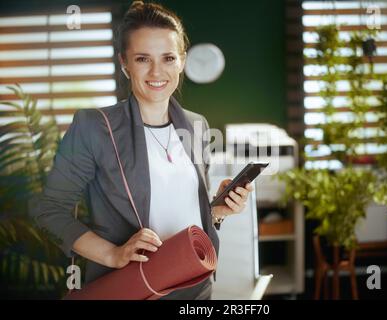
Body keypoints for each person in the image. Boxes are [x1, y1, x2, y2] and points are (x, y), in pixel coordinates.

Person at [32, 1, 253, 300]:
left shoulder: (197, 126)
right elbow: (49, 211)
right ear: (124, 62)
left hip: (196, 286)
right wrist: (113, 254)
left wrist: (215, 212)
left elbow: (179, 210)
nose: (157, 71)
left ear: (182, 61)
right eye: (142, 59)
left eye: (168, 58)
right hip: (134, 288)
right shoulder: (94, 127)